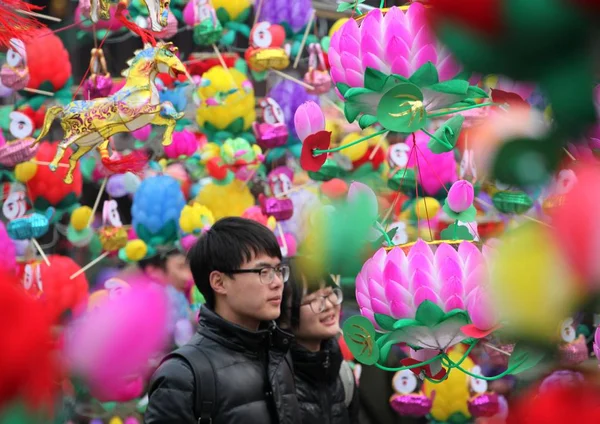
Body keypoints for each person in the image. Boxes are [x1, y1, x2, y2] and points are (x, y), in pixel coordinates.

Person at [144, 217, 300, 424]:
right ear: (219, 282)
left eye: (279, 270)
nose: (278, 282)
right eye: (264, 272)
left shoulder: (278, 354)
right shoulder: (182, 376)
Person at [278, 259, 359, 424]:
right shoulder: (274, 381)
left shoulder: (342, 372)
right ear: (283, 314)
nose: (329, 305)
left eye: (330, 294)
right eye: (314, 299)